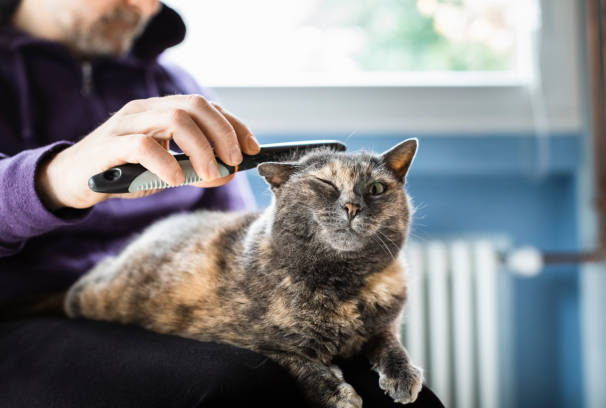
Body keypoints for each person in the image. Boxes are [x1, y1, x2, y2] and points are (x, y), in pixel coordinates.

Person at [0, 0, 444, 406]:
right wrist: (56, 175)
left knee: (409, 403)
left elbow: (230, 231)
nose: (146, 6)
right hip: (25, 315)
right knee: (242, 388)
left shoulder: (175, 85)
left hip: (174, 303)